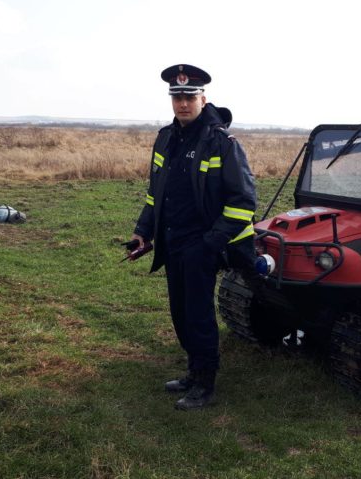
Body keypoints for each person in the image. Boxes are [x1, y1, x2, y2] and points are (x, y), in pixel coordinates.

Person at [131, 64, 257, 410]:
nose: (183, 103)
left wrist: (211, 244)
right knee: (180, 313)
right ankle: (192, 370)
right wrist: (144, 230)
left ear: (203, 98)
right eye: (177, 97)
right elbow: (156, 194)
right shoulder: (166, 138)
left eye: (189, 96)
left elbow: (243, 201)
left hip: (201, 245)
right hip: (172, 242)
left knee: (199, 315)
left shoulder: (221, 142)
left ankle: (205, 382)